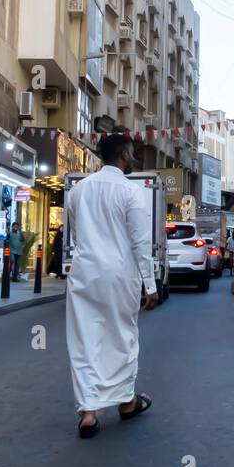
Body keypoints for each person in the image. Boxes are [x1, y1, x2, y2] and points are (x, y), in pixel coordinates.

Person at [64, 134, 159, 439]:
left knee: (85, 340)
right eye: (131, 153)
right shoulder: (132, 192)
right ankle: (126, 403)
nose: (133, 158)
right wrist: (151, 284)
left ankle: (88, 412)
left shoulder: (78, 190)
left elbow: (77, 235)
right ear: (122, 154)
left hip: (84, 273)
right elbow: (140, 243)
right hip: (120, 275)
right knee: (121, 338)